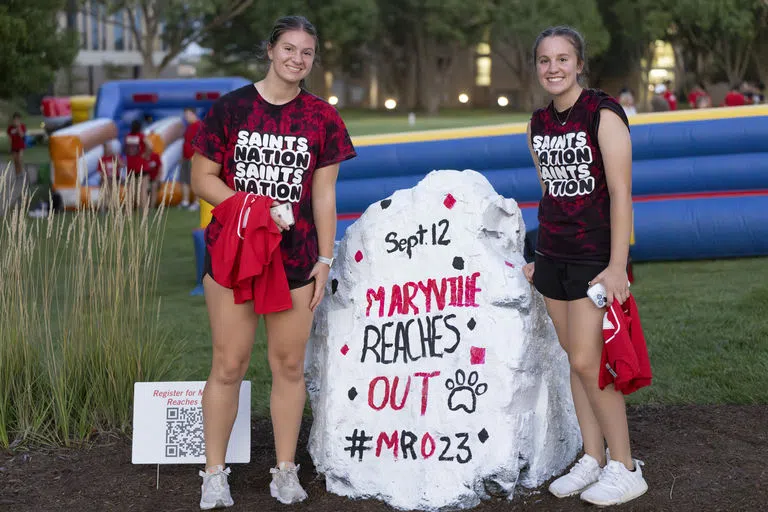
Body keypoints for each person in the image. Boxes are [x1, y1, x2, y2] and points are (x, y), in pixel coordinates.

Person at [190, 15, 357, 509]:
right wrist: (252, 208)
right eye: (288, 48)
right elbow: (203, 178)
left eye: (306, 52)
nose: (296, 59)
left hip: (296, 259)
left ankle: (285, 471)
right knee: (228, 364)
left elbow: (324, 195)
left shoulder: (321, 118)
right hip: (235, 255)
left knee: (288, 366)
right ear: (270, 50)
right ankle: (214, 474)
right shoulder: (232, 108)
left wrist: (326, 257)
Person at [523, 26, 648, 506]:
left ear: (579, 63)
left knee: (587, 361)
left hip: (595, 258)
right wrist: (537, 258)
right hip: (552, 255)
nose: (553, 68)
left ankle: (626, 464)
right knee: (574, 363)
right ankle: (593, 456)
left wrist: (618, 265)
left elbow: (621, 193)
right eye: (544, 60)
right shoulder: (536, 123)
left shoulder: (603, 112)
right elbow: (551, 192)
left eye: (562, 59)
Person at [124, 119, 151, 207]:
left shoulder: (127, 136)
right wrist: (146, 154)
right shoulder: (141, 136)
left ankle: (129, 208)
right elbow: (150, 146)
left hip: (131, 166)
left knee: (130, 189)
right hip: (141, 165)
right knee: (143, 189)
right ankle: (144, 209)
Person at [181, 107, 202, 210]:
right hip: (186, 157)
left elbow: (201, 143)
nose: (186, 117)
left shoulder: (199, 126)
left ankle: (197, 202)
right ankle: (185, 201)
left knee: (195, 181)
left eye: (188, 115)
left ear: (194, 114)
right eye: (185, 115)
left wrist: (196, 157)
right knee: (185, 180)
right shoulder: (188, 127)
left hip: (194, 158)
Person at [97, 143, 124, 208]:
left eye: (110, 147)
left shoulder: (115, 157)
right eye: (107, 147)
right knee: (105, 184)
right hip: (106, 179)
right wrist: (105, 178)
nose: (109, 149)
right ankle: (105, 205)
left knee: (115, 184)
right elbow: (100, 172)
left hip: (115, 179)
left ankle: (115, 205)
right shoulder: (102, 159)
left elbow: (122, 165)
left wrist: (116, 157)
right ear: (104, 149)